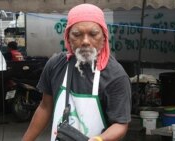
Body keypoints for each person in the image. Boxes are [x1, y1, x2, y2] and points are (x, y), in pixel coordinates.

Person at [22, 3, 131, 141]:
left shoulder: (116, 76)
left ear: (104, 37)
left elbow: (120, 124)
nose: (85, 41)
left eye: (93, 34)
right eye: (77, 34)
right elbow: (45, 107)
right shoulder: (55, 65)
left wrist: (98, 139)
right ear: (68, 37)